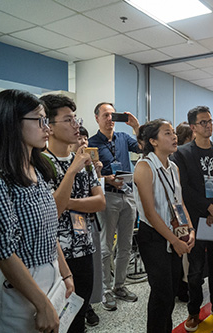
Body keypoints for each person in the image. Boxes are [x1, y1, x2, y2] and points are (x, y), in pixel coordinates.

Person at [0, 89, 74, 333]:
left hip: (47, 276)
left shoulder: (38, 170)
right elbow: (5, 253)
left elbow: (47, 228)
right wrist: (42, 305)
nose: (47, 128)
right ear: (12, 123)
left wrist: (64, 272)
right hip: (14, 290)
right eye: (40, 120)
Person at [40, 94, 106, 333]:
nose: (76, 124)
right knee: (58, 320)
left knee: (79, 313)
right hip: (56, 255)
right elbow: (52, 211)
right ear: (49, 125)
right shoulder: (41, 163)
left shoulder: (83, 159)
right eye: (68, 120)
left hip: (84, 247)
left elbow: (99, 202)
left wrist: (67, 202)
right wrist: (71, 173)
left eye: (75, 118)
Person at [172, 106, 213, 332]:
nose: (208, 125)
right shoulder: (182, 153)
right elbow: (185, 189)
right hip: (195, 220)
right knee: (196, 270)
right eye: (203, 122)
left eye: (210, 121)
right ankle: (193, 311)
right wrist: (208, 208)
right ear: (193, 127)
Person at [133, 119, 196, 332]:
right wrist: (174, 240)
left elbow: (180, 203)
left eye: (173, 133)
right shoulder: (144, 167)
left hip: (174, 235)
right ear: (153, 141)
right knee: (161, 294)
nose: (174, 137)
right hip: (153, 236)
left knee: (170, 292)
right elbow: (150, 213)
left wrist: (189, 229)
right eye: (167, 133)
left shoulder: (174, 167)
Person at [88, 103, 141, 311]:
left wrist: (136, 127)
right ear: (97, 118)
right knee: (106, 246)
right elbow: (90, 174)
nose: (110, 119)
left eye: (112, 115)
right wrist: (105, 179)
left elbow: (143, 147)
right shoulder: (92, 144)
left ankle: (120, 286)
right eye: (105, 115)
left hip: (127, 194)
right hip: (108, 197)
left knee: (126, 244)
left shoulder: (123, 138)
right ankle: (105, 290)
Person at [70, 125, 103, 327]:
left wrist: (97, 173)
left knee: (88, 276)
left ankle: (88, 307)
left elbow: (99, 202)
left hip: (86, 226)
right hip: (65, 237)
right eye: (79, 138)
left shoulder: (89, 166)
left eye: (85, 138)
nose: (82, 142)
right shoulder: (52, 164)